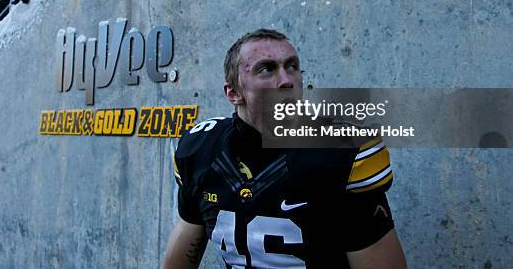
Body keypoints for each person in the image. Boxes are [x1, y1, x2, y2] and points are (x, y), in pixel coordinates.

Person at [163, 29, 407, 268]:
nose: (287, 80)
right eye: (267, 69)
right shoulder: (201, 149)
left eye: (292, 66)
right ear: (234, 93)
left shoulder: (340, 152)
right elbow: (185, 239)